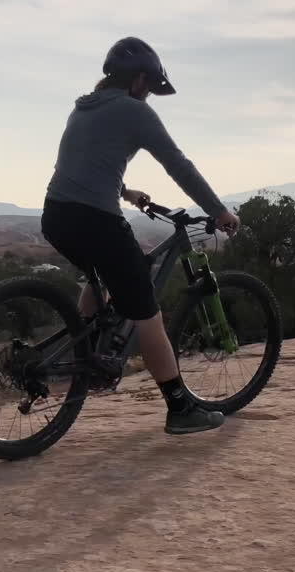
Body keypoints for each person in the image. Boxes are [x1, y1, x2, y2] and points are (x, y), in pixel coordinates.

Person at [42, 36, 240, 435]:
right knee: (147, 312)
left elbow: (84, 164)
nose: (148, 96)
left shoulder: (82, 108)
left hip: (56, 215)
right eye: (149, 88)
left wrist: (125, 191)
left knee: (102, 277)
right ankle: (180, 409)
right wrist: (218, 210)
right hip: (95, 219)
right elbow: (178, 165)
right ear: (138, 81)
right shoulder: (135, 111)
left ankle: (87, 357)